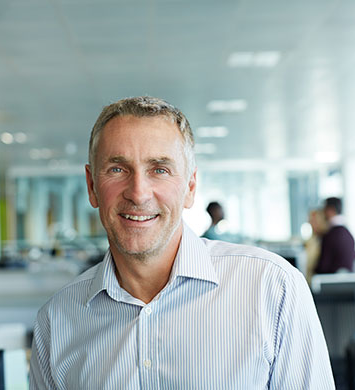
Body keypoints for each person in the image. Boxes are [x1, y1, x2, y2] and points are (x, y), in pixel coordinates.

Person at [29, 96, 334, 389]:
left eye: (159, 170)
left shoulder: (271, 288)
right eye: (118, 169)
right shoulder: (57, 321)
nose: (138, 193)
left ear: (190, 187)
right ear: (92, 186)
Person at [314, 197, 355, 274]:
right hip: (347, 282)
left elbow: (323, 267)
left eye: (324, 210)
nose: (323, 213)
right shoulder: (348, 234)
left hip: (329, 283)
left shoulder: (330, 236)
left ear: (330, 210)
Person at [304, 208, 327, 284]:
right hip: (308, 279)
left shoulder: (325, 240)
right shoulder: (311, 240)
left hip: (318, 281)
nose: (309, 222)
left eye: (312, 220)